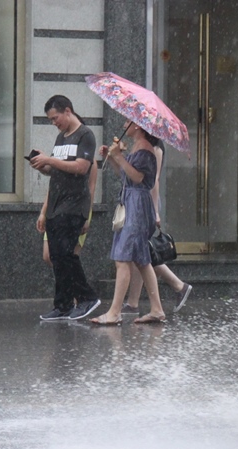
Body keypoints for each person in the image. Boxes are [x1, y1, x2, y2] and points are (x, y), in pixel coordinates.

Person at [30, 95, 100, 322]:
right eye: (50, 120)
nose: (54, 123)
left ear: (67, 111)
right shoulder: (61, 138)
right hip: (56, 205)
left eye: (55, 118)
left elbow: (81, 168)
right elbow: (58, 171)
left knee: (66, 254)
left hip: (74, 205)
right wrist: (43, 165)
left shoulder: (86, 135)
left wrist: (50, 160)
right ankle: (63, 305)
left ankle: (87, 297)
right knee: (57, 256)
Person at [90, 122, 166, 326]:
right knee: (142, 259)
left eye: (128, 122)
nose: (124, 124)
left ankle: (114, 312)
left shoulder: (146, 149)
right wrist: (113, 158)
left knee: (123, 259)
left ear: (139, 127)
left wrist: (119, 157)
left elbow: (138, 177)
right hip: (133, 203)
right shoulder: (138, 146)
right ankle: (157, 309)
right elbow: (125, 176)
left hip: (137, 207)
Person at [122, 138, 192, 315]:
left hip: (145, 205)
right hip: (136, 203)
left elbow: (154, 181)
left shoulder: (155, 149)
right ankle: (134, 302)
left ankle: (177, 285)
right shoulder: (139, 145)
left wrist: (155, 212)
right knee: (138, 252)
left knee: (140, 253)